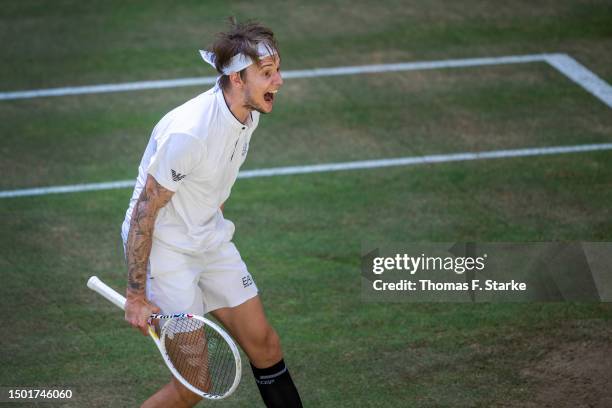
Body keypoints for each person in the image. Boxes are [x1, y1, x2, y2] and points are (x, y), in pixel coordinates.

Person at [120, 18, 303, 408]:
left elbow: (214, 184)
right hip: (166, 254)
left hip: (208, 238)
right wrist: (137, 294)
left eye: (277, 71)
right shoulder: (190, 132)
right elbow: (144, 213)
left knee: (266, 345)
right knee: (192, 387)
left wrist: (207, 226)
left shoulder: (248, 114)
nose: (279, 82)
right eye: (267, 74)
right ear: (237, 79)